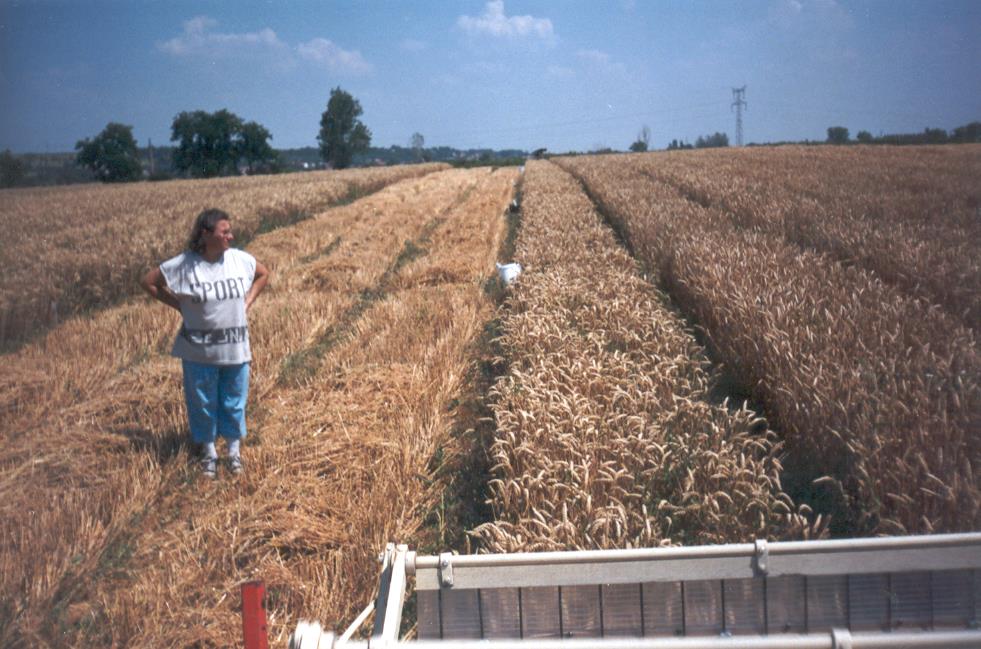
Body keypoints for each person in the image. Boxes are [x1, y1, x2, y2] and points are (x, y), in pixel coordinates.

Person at [140, 208, 270, 479]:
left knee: (235, 402)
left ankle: (233, 453)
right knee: (202, 403)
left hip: (235, 347)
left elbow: (263, 274)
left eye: (230, 231)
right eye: (225, 232)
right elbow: (150, 282)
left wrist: (248, 300)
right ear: (205, 233)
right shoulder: (184, 265)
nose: (230, 237)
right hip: (198, 351)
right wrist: (179, 306)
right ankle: (209, 454)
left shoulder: (239, 260)